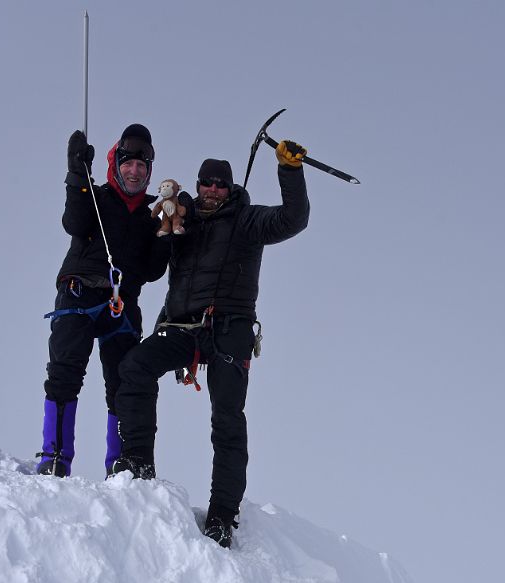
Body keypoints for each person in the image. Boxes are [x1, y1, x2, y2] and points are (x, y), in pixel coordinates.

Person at [112, 140, 310, 547]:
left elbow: (293, 218)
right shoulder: (181, 221)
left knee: (227, 418)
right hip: (182, 326)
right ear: (198, 185)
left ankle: (222, 515)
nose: (213, 191)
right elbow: (148, 253)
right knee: (134, 366)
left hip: (229, 329)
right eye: (207, 184)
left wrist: (289, 172)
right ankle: (138, 462)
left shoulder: (248, 221)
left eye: (221, 185)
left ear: (230, 188)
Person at [36, 124, 168, 477]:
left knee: (124, 384)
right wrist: (76, 170)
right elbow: (74, 222)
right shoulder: (95, 197)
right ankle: (55, 459)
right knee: (64, 374)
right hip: (79, 292)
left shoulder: (149, 218)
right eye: (128, 164)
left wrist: (170, 230)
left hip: (120, 304)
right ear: (116, 163)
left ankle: (121, 469)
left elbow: (154, 270)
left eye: (142, 166)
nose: (135, 171)